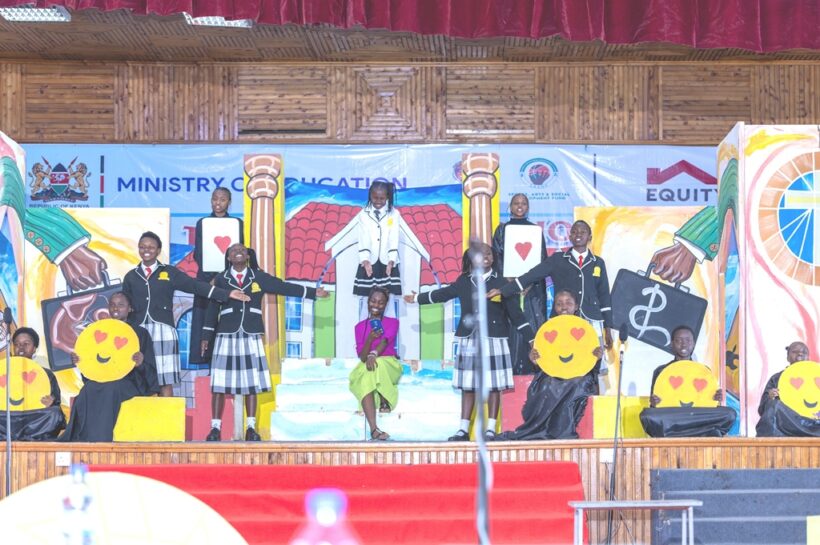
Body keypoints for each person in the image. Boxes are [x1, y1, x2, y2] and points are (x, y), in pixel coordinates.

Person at [404, 243, 534, 441]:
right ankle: (463, 430)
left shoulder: (502, 284)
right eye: (482, 255)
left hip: (494, 338)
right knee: (468, 385)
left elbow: (517, 315)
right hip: (469, 338)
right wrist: (416, 298)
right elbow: (443, 293)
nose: (487, 257)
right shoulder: (464, 281)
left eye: (489, 254)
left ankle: (491, 429)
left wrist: (532, 339)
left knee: (494, 386)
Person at [201, 243, 328, 441]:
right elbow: (211, 310)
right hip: (226, 333)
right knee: (219, 384)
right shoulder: (220, 279)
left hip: (251, 333)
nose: (238, 252)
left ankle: (251, 428)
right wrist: (206, 336)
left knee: (251, 383)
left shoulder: (258, 277)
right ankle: (215, 428)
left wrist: (311, 292)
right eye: (234, 250)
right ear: (228, 258)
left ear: (248, 256)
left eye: (242, 250)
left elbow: (282, 286)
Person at [123, 231, 249, 397]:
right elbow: (125, 306)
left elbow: (194, 285)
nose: (146, 250)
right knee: (139, 374)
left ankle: (168, 421)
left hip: (163, 331)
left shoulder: (169, 272)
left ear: (159, 250)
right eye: (143, 247)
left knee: (165, 378)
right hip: (138, 331)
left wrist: (225, 294)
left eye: (151, 247)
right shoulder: (131, 276)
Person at [490, 220, 614, 366]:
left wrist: (608, 328)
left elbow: (604, 296)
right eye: (574, 232)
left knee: (593, 364)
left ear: (590, 237)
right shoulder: (557, 259)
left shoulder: (598, 263)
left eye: (582, 232)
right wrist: (503, 290)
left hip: (592, 319)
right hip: (562, 319)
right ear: (569, 236)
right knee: (565, 363)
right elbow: (531, 275)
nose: (578, 235)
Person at [501, 290, 603, 440]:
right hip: (552, 375)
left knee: (576, 384)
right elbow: (545, 362)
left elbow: (593, 366)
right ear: (554, 307)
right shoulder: (548, 329)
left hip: (580, 375)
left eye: (568, 303)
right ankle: (543, 429)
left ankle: (562, 431)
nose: (564, 307)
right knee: (547, 385)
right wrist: (535, 360)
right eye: (559, 304)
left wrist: (597, 357)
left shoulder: (586, 329)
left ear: (576, 306)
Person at [60, 291, 161, 442]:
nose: (116, 308)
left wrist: (141, 364)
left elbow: (151, 375)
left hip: (130, 382)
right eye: (112, 305)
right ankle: (80, 438)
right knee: (89, 389)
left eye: (121, 305)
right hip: (102, 378)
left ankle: (100, 440)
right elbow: (91, 368)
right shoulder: (98, 331)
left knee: (111, 388)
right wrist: (80, 362)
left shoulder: (140, 333)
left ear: (129, 309)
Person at [492, 193, 548, 375]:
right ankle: (510, 373)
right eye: (516, 203)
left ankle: (535, 373)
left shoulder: (535, 231)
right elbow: (497, 257)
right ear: (510, 206)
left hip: (531, 291)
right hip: (509, 288)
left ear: (528, 207)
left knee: (532, 325)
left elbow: (541, 260)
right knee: (511, 326)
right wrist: (510, 283)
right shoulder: (502, 230)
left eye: (524, 203)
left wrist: (528, 283)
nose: (520, 206)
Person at [189, 187, 244, 366]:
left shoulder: (237, 223)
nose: (218, 203)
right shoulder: (202, 223)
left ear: (229, 202)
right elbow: (199, 253)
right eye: (214, 199)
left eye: (222, 199)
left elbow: (238, 252)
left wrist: (221, 276)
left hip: (228, 278)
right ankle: (204, 358)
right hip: (205, 278)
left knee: (228, 316)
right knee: (203, 317)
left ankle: (229, 358)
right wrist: (210, 274)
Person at [350, 286, 403, 440]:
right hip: (367, 363)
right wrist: (370, 339)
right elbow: (362, 356)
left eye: (381, 302)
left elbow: (386, 340)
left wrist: (374, 354)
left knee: (376, 364)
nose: (376, 305)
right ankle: (374, 429)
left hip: (389, 364)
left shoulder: (393, 322)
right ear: (368, 302)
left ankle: (384, 397)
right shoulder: (359, 327)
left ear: (385, 305)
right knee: (367, 374)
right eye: (373, 301)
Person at [649, 325, 723, 407]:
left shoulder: (704, 371)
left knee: (729, 413)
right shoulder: (661, 371)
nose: (684, 344)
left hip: (696, 416)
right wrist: (654, 402)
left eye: (688, 340)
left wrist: (716, 398)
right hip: (671, 416)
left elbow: (709, 404)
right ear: (672, 344)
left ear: (694, 343)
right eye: (679, 341)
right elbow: (654, 405)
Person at [353, 181, 402, 299]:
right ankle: (367, 318)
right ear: (370, 196)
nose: (378, 202)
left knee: (387, 296)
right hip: (370, 261)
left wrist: (392, 260)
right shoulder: (363, 214)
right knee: (367, 297)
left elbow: (394, 236)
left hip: (387, 262)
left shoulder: (394, 214)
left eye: (382, 198)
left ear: (387, 197)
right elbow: (363, 237)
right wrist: (365, 260)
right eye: (375, 198)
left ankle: (388, 318)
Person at [757, 341, 810, 416]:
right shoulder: (776, 379)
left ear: (808, 358)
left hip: (810, 422)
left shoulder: (816, 378)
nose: (800, 354)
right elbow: (761, 410)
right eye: (795, 352)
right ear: (788, 357)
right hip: (785, 421)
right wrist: (770, 398)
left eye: (804, 352)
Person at [11, 327, 60, 407]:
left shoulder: (46, 375)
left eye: (26, 344)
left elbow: (57, 407)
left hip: (37, 418)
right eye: (17, 344)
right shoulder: (4, 371)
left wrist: (51, 404)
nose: (21, 347)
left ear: (34, 349)